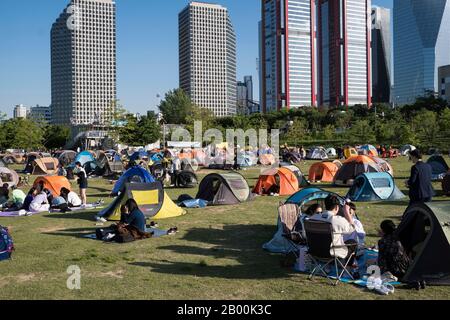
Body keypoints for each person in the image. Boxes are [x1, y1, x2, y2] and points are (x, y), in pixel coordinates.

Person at [310, 195, 357, 264]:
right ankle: (347, 266)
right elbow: (352, 228)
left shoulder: (314, 217)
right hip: (331, 252)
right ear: (336, 207)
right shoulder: (337, 220)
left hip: (314, 251)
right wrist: (347, 212)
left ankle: (329, 264)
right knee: (352, 242)